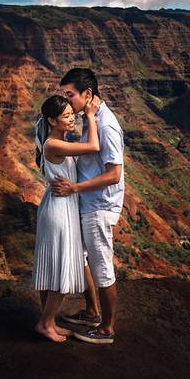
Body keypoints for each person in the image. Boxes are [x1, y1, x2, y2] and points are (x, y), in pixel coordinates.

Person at [52, 68, 124, 345]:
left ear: (88, 94)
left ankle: (106, 329)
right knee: (83, 259)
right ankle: (92, 311)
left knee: (102, 267)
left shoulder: (106, 125)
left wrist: (75, 188)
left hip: (98, 206)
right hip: (87, 204)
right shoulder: (92, 118)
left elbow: (114, 174)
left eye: (70, 95)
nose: (67, 102)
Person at [32, 93, 102, 342]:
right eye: (66, 116)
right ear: (52, 120)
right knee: (60, 269)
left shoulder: (58, 139)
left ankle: (46, 321)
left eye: (72, 114)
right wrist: (91, 116)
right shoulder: (53, 144)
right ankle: (46, 323)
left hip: (60, 206)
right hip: (59, 211)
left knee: (53, 269)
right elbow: (94, 146)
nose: (72, 118)